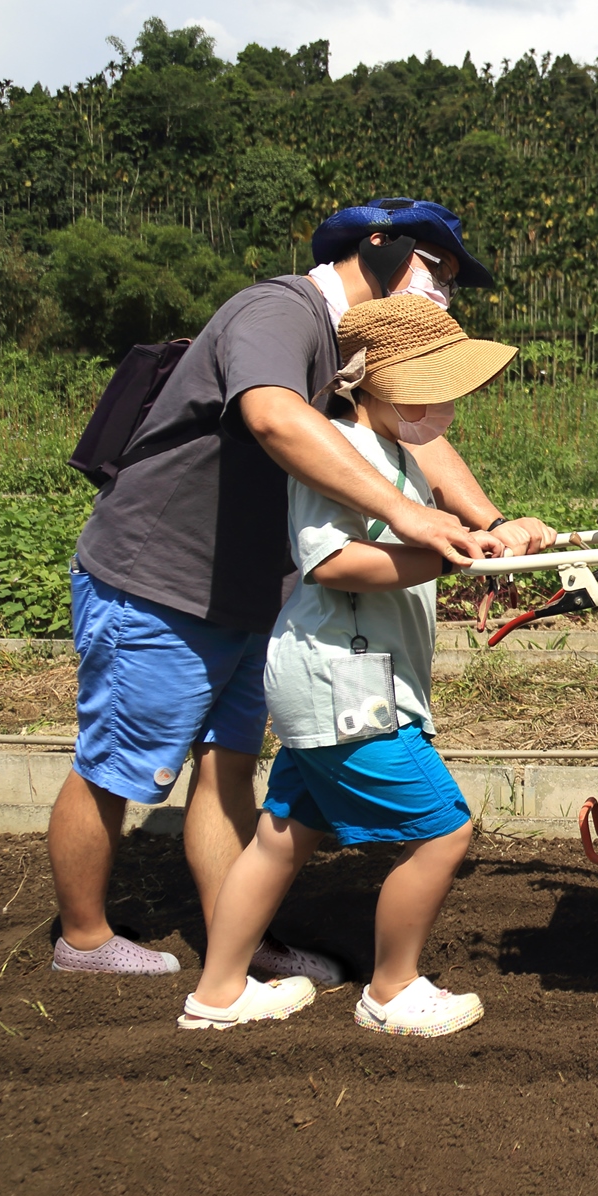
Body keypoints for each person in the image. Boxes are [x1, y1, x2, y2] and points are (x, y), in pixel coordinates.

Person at [49, 198, 554, 977]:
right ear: (382, 251)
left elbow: (424, 434)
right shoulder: (281, 312)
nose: (442, 295)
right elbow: (275, 417)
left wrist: (489, 523)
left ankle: (238, 946)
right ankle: (82, 938)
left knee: (228, 766)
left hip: (253, 588)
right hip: (161, 576)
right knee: (120, 764)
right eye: (434, 271)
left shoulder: (362, 350)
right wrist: (407, 517)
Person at [178, 295, 511, 1034]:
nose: (449, 402)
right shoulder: (347, 450)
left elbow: (442, 533)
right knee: (442, 830)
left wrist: (494, 535)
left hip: (327, 675)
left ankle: (220, 992)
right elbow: (330, 561)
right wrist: (442, 557)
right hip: (347, 683)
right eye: (436, 384)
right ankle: (391, 989)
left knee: (282, 832)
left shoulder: (391, 451)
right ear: (382, 383)